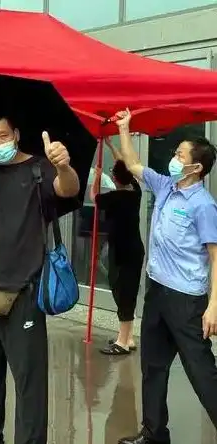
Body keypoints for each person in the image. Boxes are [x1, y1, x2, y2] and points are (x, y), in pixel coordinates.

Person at [0, 116, 80, 444]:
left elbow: (68, 189)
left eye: (2, 136)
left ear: (17, 134)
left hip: (25, 293)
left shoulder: (39, 168)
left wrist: (63, 166)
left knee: (29, 387)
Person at [114, 109, 217, 444]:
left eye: (179, 155)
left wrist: (213, 307)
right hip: (157, 292)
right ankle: (154, 433)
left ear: (196, 167)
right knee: (153, 367)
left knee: (202, 373)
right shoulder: (165, 187)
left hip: (187, 301)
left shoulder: (203, 205)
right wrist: (124, 129)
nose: (173, 159)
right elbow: (132, 164)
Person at [90, 138, 145, 355]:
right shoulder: (135, 192)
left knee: (122, 293)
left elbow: (94, 196)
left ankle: (122, 342)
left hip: (121, 253)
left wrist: (96, 177)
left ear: (114, 178)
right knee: (127, 293)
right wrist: (111, 146)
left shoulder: (114, 197)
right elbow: (124, 164)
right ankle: (128, 337)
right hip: (133, 250)